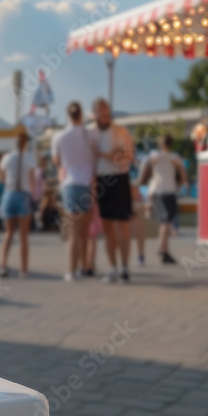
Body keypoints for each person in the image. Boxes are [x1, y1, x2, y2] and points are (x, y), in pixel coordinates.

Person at [51, 101, 98, 281]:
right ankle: (83, 266)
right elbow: (94, 156)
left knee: (73, 234)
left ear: (67, 114)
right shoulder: (90, 134)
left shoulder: (59, 136)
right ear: (81, 114)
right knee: (85, 234)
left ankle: (71, 271)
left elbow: (56, 161)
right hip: (86, 184)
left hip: (69, 184)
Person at [92, 98, 135, 283]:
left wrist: (112, 154)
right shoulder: (90, 133)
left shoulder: (121, 131)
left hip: (119, 179)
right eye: (100, 111)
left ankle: (125, 267)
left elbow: (129, 156)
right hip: (101, 181)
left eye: (107, 111)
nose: (104, 114)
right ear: (95, 113)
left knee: (122, 226)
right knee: (107, 227)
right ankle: (113, 268)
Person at [140, 134, 188, 264]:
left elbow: (146, 164)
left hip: (156, 190)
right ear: (171, 143)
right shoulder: (174, 157)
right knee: (167, 221)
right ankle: (162, 249)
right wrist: (184, 183)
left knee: (164, 221)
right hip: (168, 191)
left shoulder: (155, 155)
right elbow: (182, 171)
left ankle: (164, 249)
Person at [0, 133, 36, 278]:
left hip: (9, 194)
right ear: (26, 143)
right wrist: (34, 196)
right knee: (23, 236)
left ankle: (2, 266)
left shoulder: (6, 158)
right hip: (24, 195)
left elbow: (1, 177)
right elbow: (32, 180)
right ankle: (24, 270)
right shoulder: (29, 158)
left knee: (8, 233)